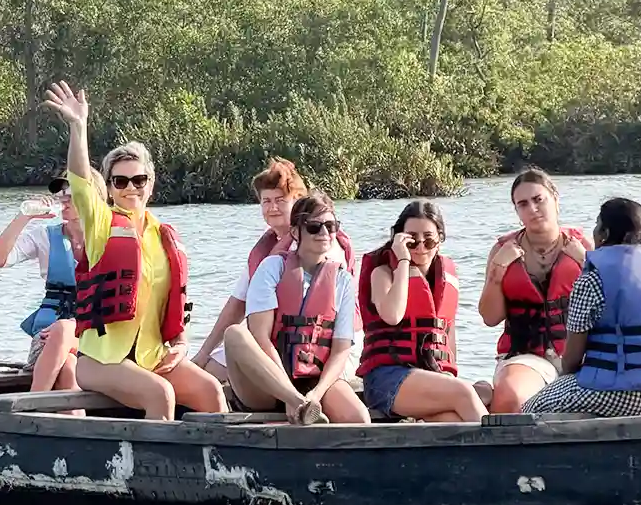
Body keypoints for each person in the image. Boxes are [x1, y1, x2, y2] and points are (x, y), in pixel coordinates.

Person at [43, 80, 227, 420]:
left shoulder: (164, 236)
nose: (131, 188)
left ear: (150, 183)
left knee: (210, 390)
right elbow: (81, 183)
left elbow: (175, 304)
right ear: (110, 188)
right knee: (160, 394)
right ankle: (158, 470)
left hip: (151, 354)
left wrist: (182, 346)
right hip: (102, 360)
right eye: (120, 181)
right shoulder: (101, 224)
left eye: (138, 180)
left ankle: (221, 469)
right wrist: (78, 126)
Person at [192, 157, 356, 379]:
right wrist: (202, 353)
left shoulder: (322, 242)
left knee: (216, 372)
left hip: (320, 345)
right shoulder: (269, 251)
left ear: (297, 201)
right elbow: (236, 305)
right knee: (208, 367)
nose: (273, 208)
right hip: (278, 341)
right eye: (266, 201)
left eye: (280, 200)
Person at [222, 191, 370, 424]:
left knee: (359, 417)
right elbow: (261, 339)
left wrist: (317, 394)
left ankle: (309, 412)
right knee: (234, 334)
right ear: (295, 232)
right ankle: (300, 406)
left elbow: (341, 350)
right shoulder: (272, 268)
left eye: (330, 227)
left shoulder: (343, 280)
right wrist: (290, 395)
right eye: (314, 227)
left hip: (312, 380)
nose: (324, 233)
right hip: (266, 384)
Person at [358, 201, 488, 422]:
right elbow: (393, 314)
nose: (420, 247)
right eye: (412, 241)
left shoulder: (445, 278)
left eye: (428, 240)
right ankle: (509, 452)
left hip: (429, 375)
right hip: (386, 378)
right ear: (398, 239)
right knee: (464, 393)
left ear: (440, 240)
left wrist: (448, 377)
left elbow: (448, 336)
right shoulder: (382, 274)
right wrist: (402, 262)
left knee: (468, 404)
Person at [523, 198, 641, 417]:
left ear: (605, 233)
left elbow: (572, 359)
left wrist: (564, 374)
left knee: (529, 409)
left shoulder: (592, 279)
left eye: (597, 224)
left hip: (616, 393)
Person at [478, 168, 591, 413]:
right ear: (517, 211)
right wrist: (498, 270)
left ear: (555, 199)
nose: (532, 208)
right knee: (511, 396)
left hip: (579, 354)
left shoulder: (584, 247)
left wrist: (585, 262)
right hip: (525, 355)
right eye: (523, 204)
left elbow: (609, 305)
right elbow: (489, 317)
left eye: (539, 199)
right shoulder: (502, 251)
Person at [0, 170, 107, 396]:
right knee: (68, 370)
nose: (64, 198)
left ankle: (30, 407)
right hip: (48, 341)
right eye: (62, 192)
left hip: (94, 338)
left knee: (65, 330)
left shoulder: (110, 238)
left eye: (71, 193)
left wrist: (72, 326)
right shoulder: (44, 236)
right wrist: (25, 216)